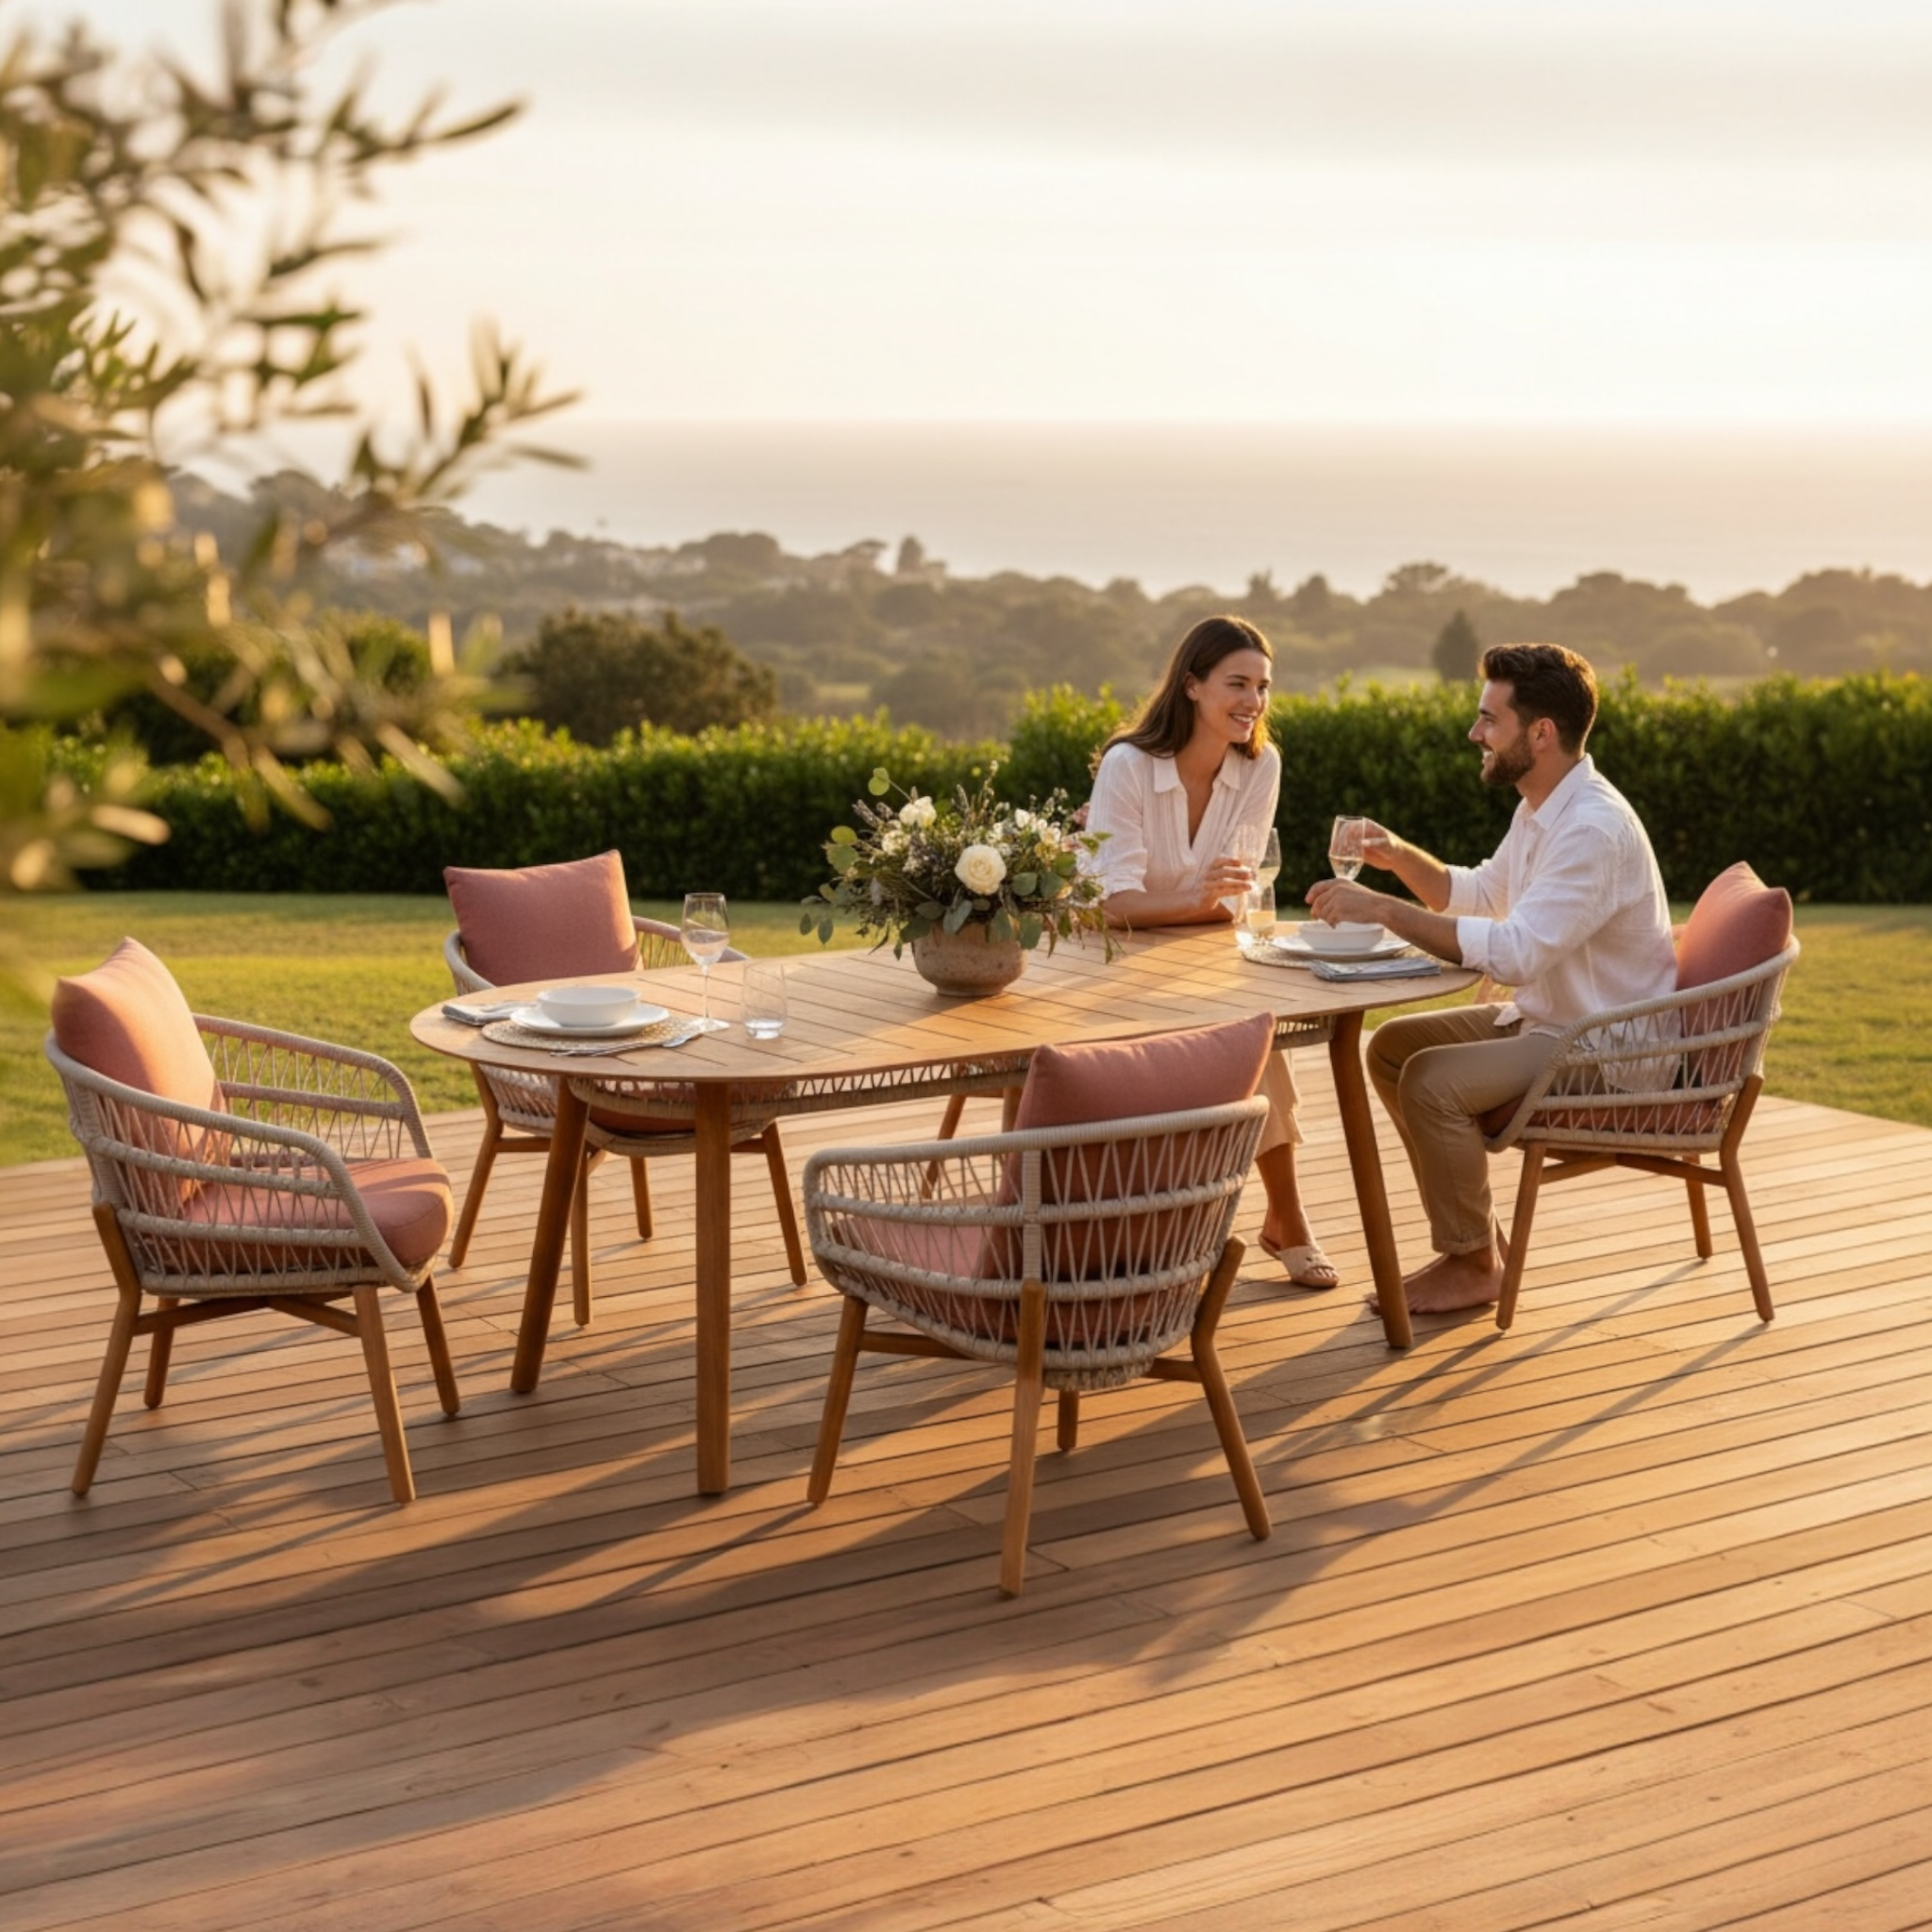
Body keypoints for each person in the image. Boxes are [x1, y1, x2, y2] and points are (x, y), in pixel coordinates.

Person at [1306, 642, 1675, 1314]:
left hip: (1609, 1045)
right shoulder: (1542, 807)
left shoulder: (1592, 827)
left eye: (1488, 721)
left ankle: (1474, 1264)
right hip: (1555, 1020)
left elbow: (1513, 955)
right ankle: (1475, 1242)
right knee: (1392, 1049)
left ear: (1541, 733)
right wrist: (1397, 858)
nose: (1475, 734)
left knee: (1432, 1081)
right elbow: (1480, 892)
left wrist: (1381, 909)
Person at [1085, 613, 1337, 1290]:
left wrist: (1197, 904)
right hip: (1103, 967)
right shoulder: (1129, 766)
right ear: (1191, 685)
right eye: (1237, 683)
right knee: (1241, 1033)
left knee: (1254, 1035)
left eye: (1263, 686)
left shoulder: (1260, 766)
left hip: (1201, 956)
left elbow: (1238, 892)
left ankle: (1284, 1215)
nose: (1253, 702)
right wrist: (1200, 901)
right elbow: (1112, 907)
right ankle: (1273, 1220)